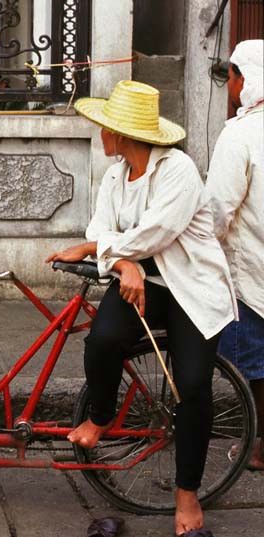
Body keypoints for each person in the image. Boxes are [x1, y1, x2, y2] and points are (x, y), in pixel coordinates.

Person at [46, 80, 236, 537]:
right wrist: (125, 263)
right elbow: (101, 224)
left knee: (191, 387)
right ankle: (101, 416)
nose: (101, 134)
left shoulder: (179, 171)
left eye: (106, 128)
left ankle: (187, 494)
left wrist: (107, 251)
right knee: (102, 341)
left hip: (190, 288)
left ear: (124, 134)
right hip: (141, 284)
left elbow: (156, 232)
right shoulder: (115, 176)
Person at [206, 39, 264, 470]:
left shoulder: (240, 134)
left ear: (246, 79)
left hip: (251, 270)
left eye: (231, 75)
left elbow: (218, 209)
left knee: (257, 364)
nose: (228, 84)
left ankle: (261, 447)